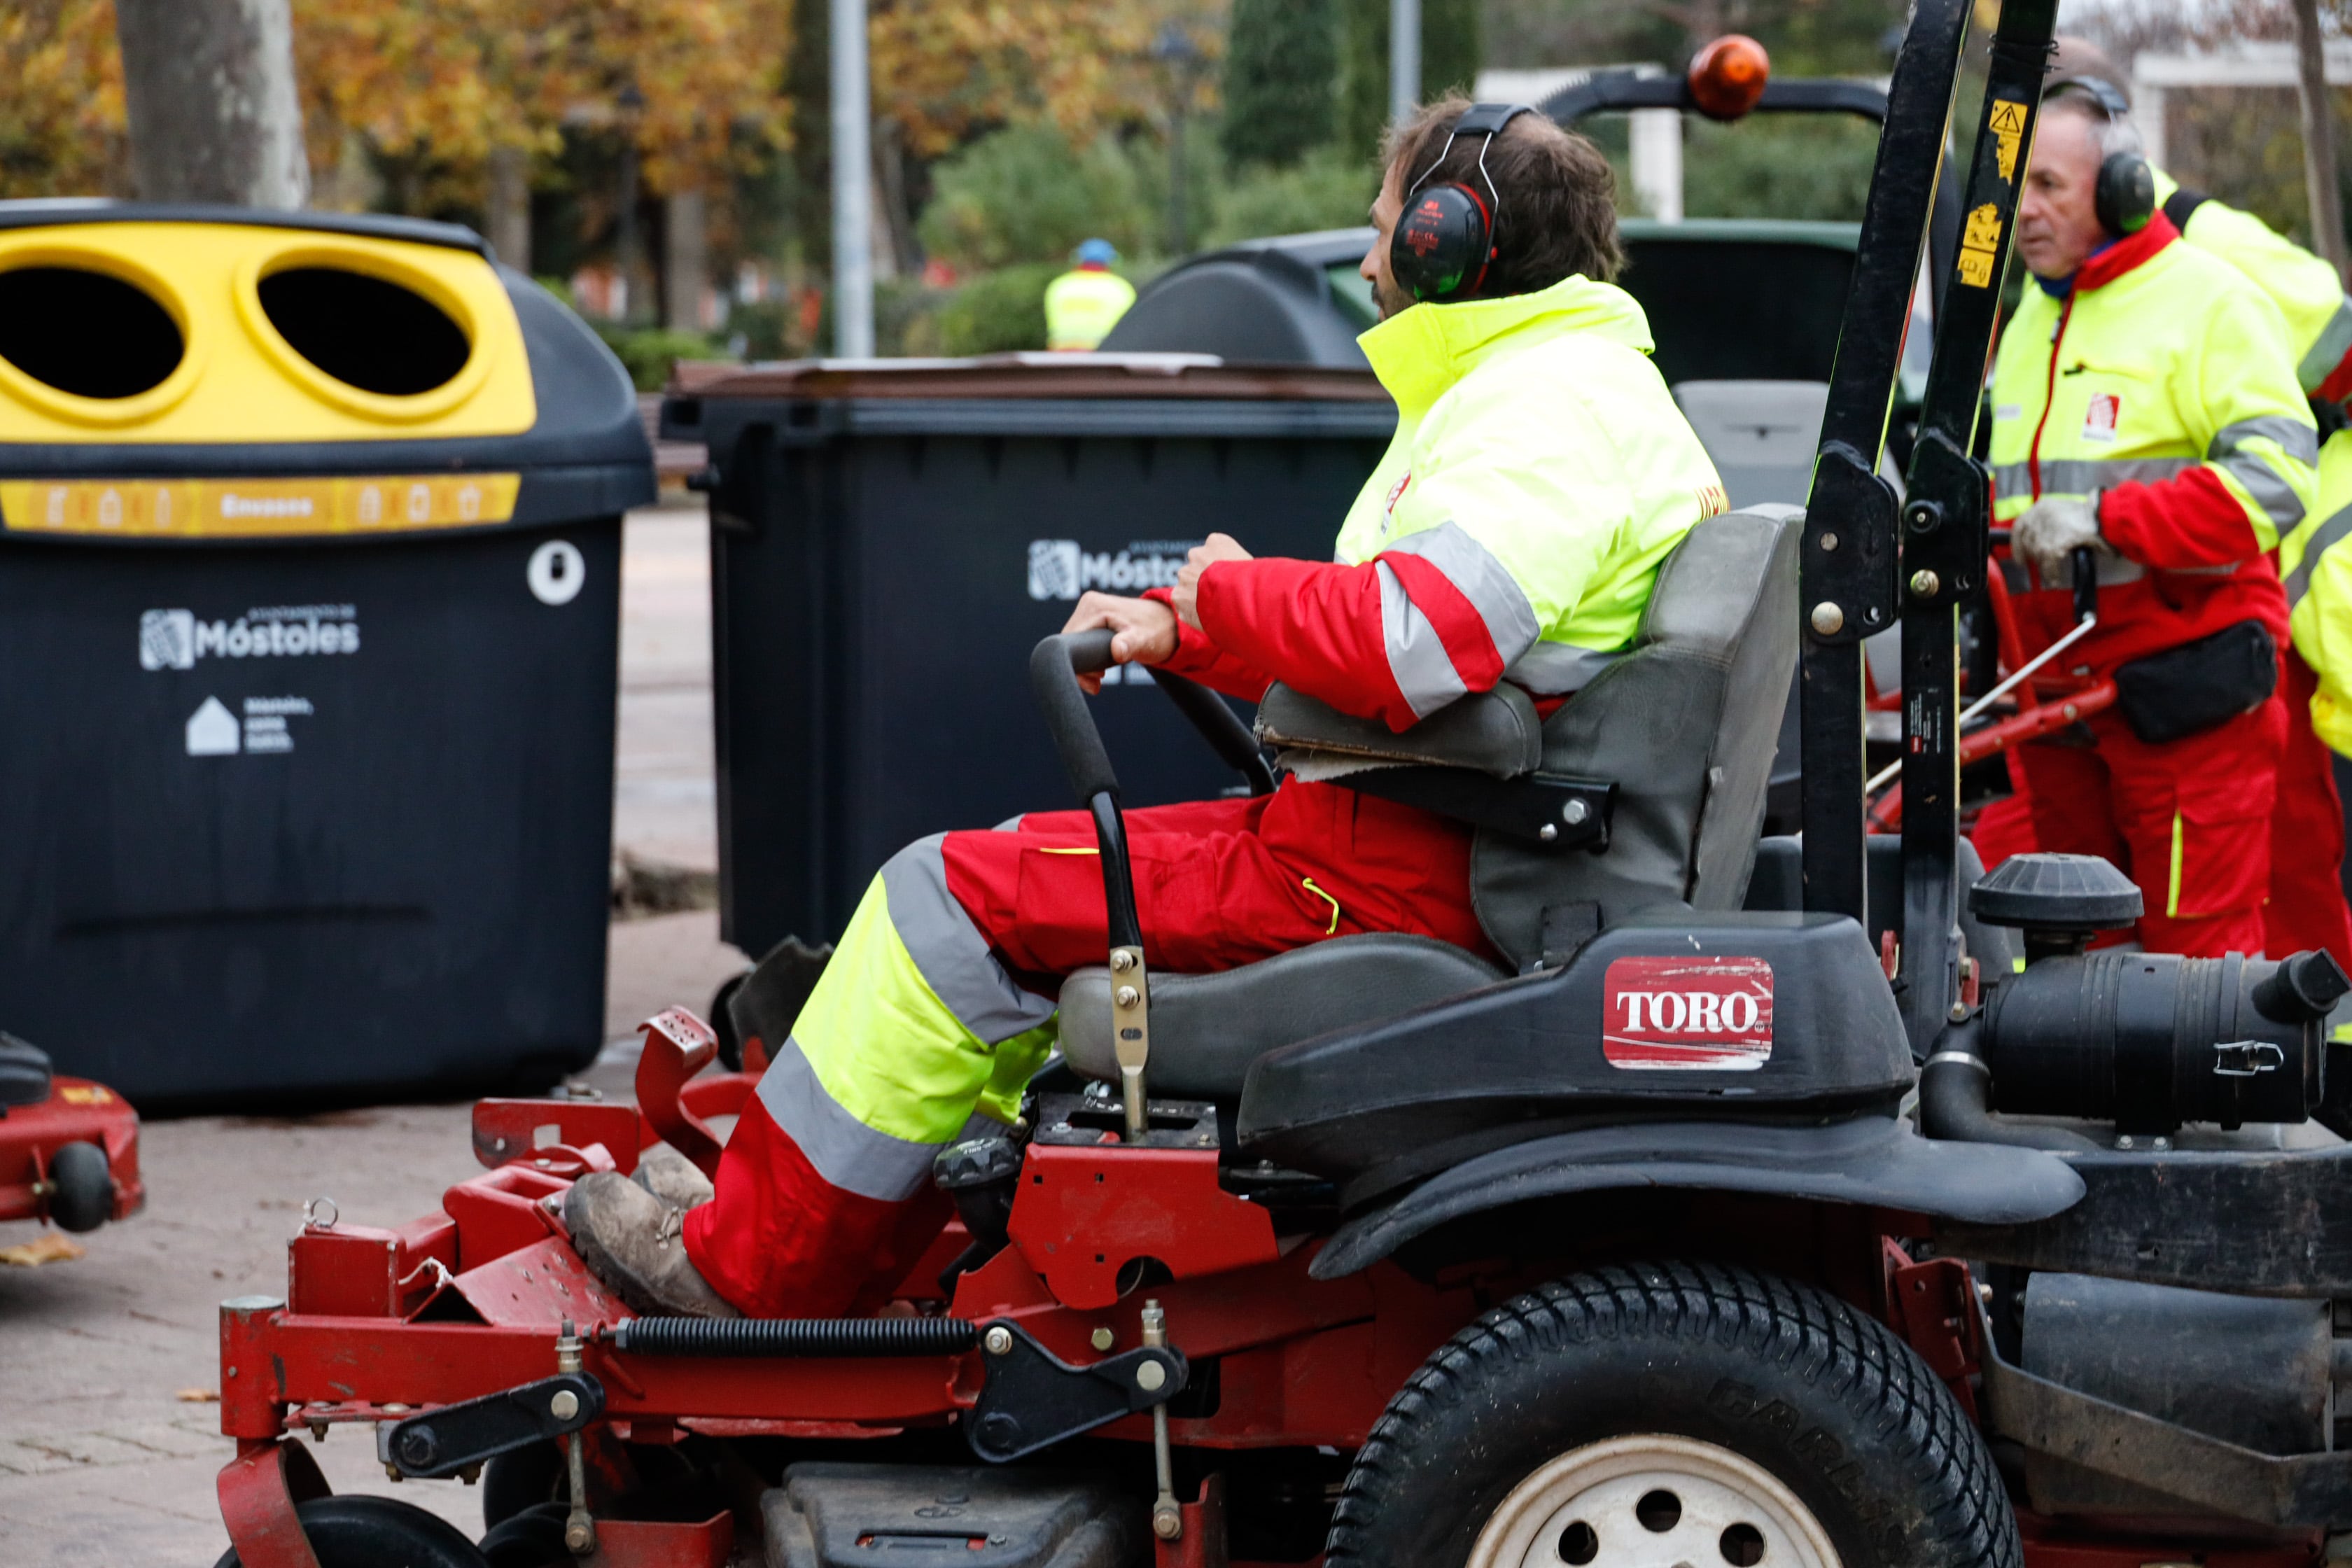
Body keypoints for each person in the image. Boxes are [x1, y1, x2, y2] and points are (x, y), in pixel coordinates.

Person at [564, 98, 1729, 1319]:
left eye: (1386, 228)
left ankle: (746, 1274)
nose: (1374, 256)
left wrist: (1224, 589)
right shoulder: (1585, 391)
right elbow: (1456, 652)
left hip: (1395, 873)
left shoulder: (1542, 413)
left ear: (1449, 243)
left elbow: (1417, 639)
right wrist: (1198, 628)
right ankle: (850, 1237)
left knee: (939, 906)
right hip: (1438, 842)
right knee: (1008, 900)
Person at [1992, 79, 2319, 958]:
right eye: (2015, 185)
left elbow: (2278, 480)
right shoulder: (2032, 315)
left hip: (2183, 697)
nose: (2022, 211)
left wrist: (2108, 518)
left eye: (2049, 187)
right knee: (2073, 949)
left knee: (2195, 964)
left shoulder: (2212, 302)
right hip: (2059, 699)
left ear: (2123, 189)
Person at [1043, 239, 1136, 351]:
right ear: (1111, 261)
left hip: (1062, 355)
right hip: (1105, 354)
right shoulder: (1121, 288)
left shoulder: (1059, 286)